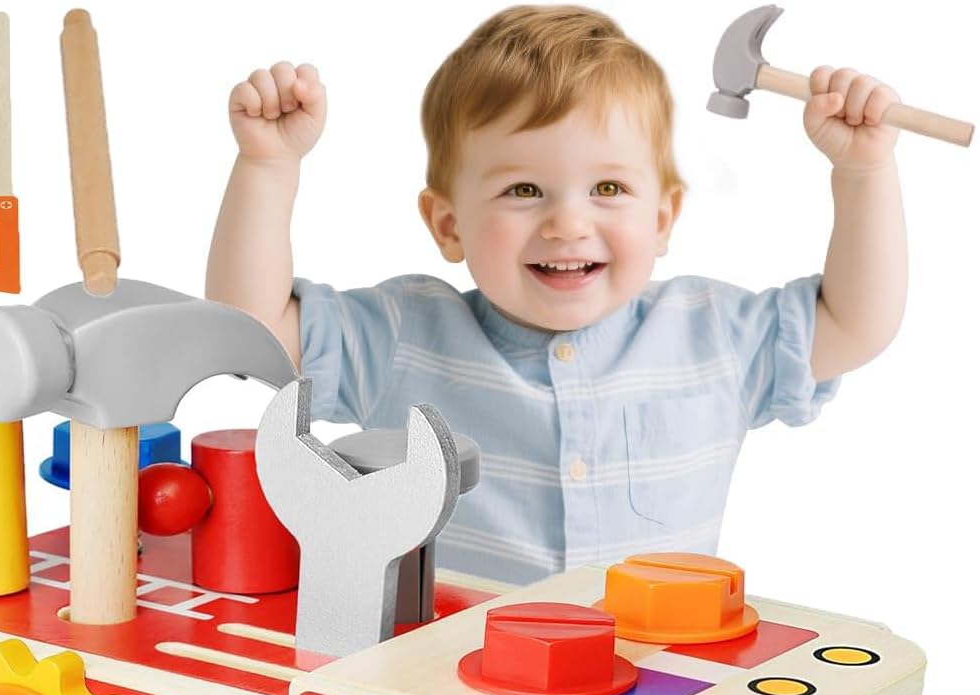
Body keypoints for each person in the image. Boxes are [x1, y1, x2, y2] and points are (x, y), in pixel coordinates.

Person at [206, 6, 905, 585]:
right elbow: (249, 329)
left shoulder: (714, 333)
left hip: (660, 690)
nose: (568, 222)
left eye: (608, 188)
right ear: (448, 225)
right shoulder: (405, 334)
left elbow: (855, 323)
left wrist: (864, 173)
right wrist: (268, 167)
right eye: (523, 189)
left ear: (662, 219)